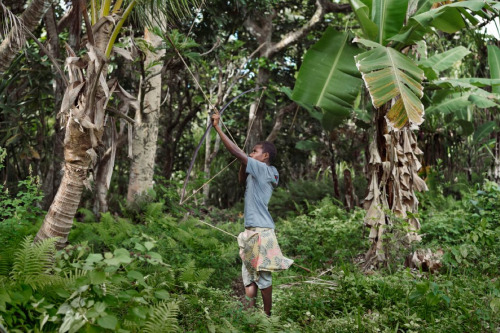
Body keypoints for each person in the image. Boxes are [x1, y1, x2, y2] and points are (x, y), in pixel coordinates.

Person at [211, 112, 293, 316]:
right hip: (250, 232)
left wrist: (218, 128)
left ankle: (267, 318)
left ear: (265, 156)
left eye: (255, 151)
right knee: (249, 278)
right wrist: (243, 161)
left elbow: (237, 153)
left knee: (264, 278)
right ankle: (250, 318)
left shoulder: (266, 170)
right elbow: (241, 177)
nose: (252, 153)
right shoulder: (255, 172)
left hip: (262, 232)